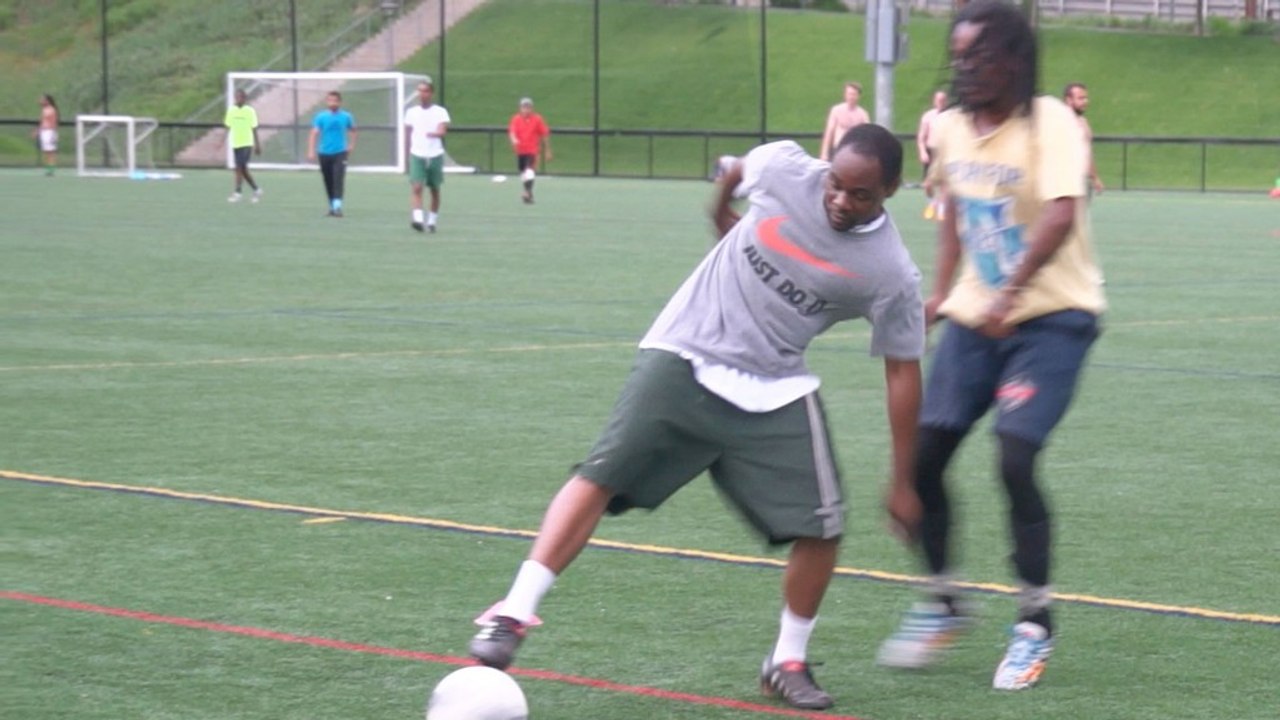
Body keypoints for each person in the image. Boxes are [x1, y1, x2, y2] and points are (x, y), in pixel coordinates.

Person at [468, 124, 927, 711]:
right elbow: (736, 171)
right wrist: (720, 216)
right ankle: (511, 614)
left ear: (890, 190)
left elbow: (902, 372)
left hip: (773, 385)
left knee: (823, 525)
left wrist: (904, 480)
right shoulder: (786, 169)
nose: (840, 200)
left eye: (860, 194)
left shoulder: (889, 272)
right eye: (836, 184)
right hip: (686, 350)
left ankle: (786, 661)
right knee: (601, 474)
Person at [875, 0, 1105, 692]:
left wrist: (1012, 294)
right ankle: (944, 601)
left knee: (1014, 453)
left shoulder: (1051, 123)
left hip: (1053, 317)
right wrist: (945, 294)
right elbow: (952, 213)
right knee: (924, 458)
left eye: (979, 56)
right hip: (979, 319)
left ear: (1013, 60)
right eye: (959, 54)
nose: (965, 67)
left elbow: (1062, 213)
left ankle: (1034, 622)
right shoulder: (947, 129)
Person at [403, 78, 450, 232]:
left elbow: (443, 130)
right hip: (417, 154)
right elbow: (408, 133)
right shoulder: (411, 112)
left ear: (431, 93)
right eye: (420, 91)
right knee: (417, 186)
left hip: (434, 154)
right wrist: (406, 154)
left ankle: (432, 220)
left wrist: (436, 133)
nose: (422, 94)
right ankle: (417, 219)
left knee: (434, 189)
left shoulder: (440, 111)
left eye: (425, 91)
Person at [307, 91, 356, 217]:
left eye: (335, 100)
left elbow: (353, 130)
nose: (332, 103)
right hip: (324, 153)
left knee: (338, 178)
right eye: (330, 100)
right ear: (326, 102)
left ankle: (337, 207)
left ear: (339, 102)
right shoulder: (321, 117)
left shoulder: (346, 116)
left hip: (340, 152)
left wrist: (351, 145)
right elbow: (314, 133)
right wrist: (311, 150)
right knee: (328, 180)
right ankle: (332, 206)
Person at [507, 97, 552, 204]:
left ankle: (527, 192)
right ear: (520, 108)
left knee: (529, 170)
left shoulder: (537, 119)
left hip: (532, 150)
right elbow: (512, 131)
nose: (526, 110)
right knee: (523, 173)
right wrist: (514, 140)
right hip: (520, 151)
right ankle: (529, 194)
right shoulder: (516, 119)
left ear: (532, 108)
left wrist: (547, 150)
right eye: (524, 107)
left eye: (528, 107)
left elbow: (544, 134)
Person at [1063, 82, 1104, 196]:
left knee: (1080, 213)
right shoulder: (1059, 122)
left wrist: (1095, 177)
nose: (1085, 101)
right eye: (1081, 98)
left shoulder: (1082, 122)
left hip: (1081, 180)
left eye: (1086, 98)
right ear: (1069, 100)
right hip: (1064, 182)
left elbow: (1087, 153)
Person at [223, 89, 263, 203]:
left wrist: (257, 144)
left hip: (247, 143)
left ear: (245, 99)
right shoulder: (231, 110)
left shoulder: (250, 111)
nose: (239, 99)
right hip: (236, 143)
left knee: (239, 167)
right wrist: (221, 141)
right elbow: (228, 126)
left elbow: (254, 128)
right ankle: (256, 189)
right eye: (237, 97)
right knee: (243, 169)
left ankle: (237, 192)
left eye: (242, 97)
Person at [916, 89, 949, 220]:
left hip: (944, 152)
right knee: (927, 184)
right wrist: (922, 151)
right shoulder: (928, 116)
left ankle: (941, 209)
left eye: (943, 100)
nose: (940, 102)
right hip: (931, 151)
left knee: (944, 184)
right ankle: (932, 202)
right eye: (938, 99)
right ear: (934, 101)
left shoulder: (950, 116)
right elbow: (921, 137)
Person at [818, 82, 870, 161]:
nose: (851, 97)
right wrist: (824, 153)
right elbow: (829, 132)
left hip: (855, 151)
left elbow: (867, 135)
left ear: (858, 96)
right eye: (849, 94)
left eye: (854, 94)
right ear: (845, 95)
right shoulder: (836, 110)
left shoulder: (862, 114)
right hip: (839, 149)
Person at [35, 94, 58, 176]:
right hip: (44, 132)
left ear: (47, 101)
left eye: (42, 99)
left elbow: (54, 122)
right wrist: (37, 130)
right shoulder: (44, 110)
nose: (40, 101)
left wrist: (53, 134)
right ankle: (48, 169)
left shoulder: (52, 110)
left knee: (50, 152)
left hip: (50, 132)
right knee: (46, 151)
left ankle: (51, 170)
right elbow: (42, 121)